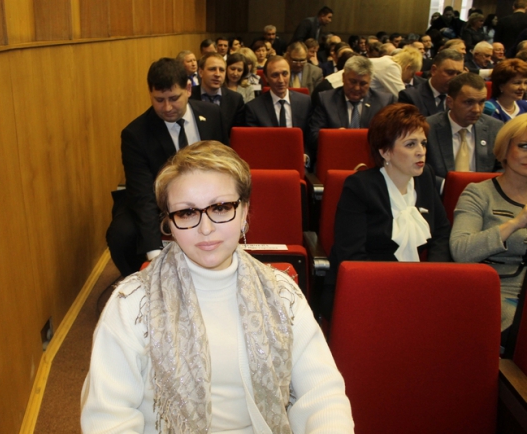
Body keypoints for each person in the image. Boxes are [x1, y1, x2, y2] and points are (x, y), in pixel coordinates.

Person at [81, 141, 355, 433]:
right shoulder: (132, 303)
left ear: (244, 211)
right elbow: (108, 419)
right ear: (169, 223)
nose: (206, 228)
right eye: (187, 213)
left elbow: (321, 395)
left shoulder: (282, 294)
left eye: (221, 207)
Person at [322, 103, 451, 319]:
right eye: (410, 144)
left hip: (417, 282)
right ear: (385, 152)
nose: (421, 151)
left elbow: (441, 232)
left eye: (423, 143)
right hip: (365, 288)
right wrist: (398, 287)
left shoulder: (425, 177)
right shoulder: (359, 187)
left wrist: (431, 274)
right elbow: (352, 255)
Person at [106, 58, 226, 277]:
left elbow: (224, 166)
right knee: (121, 234)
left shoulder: (212, 114)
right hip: (158, 202)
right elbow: (143, 195)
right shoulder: (135, 134)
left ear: (188, 89)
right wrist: (153, 253)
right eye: (159, 100)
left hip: (207, 195)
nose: (167, 107)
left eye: (174, 98)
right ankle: (141, 282)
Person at [450, 114, 527, 335]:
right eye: (523, 146)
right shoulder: (479, 193)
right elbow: (461, 251)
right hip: (498, 292)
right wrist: (515, 224)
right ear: (505, 149)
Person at [310, 55, 395, 163]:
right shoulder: (326, 99)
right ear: (343, 77)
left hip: (371, 161)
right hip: (335, 158)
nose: (357, 88)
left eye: (363, 83)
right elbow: (313, 136)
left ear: (370, 81)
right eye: (353, 82)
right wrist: (334, 137)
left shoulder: (384, 102)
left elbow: (391, 137)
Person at [426, 73, 503, 188]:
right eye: (469, 102)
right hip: (439, 194)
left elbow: (503, 167)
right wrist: (448, 186)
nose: (477, 110)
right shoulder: (428, 128)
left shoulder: (495, 127)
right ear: (450, 102)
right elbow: (418, 170)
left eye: (481, 102)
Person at [245, 56, 313, 161]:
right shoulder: (254, 108)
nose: (281, 80)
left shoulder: (305, 102)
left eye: (285, 74)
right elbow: (255, 144)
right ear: (266, 78)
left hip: (299, 161)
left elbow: (310, 136)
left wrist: (306, 156)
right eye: (275, 75)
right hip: (269, 161)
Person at [191, 53, 245, 138]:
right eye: (212, 69)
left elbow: (238, 136)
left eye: (222, 70)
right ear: (201, 72)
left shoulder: (235, 99)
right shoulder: (188, 96)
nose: (217, 74)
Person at [398, 49, 464, 117]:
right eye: (450, 72)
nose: (455, 78)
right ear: (434, 70)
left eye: (459, 74)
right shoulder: (410, 96)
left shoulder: (460, 97)